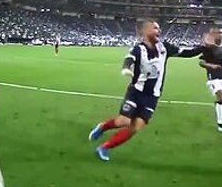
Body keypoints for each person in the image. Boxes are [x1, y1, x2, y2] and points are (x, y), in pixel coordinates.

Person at [87, 20, 204, 161]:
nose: (158, 31)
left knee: (135, 127)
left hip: (152, 97)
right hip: (136, 92)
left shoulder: (164, 48)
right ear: (145, 31)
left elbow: (188, 53)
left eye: (159, 28)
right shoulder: (138, 49)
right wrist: (126, 68)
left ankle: (104, 147)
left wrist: (204, 46)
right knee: (124, 121)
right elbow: (129, 59)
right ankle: (103, 127)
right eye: (155, 28)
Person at [200, 27, 222, 133]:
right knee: (220, 95)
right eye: (218, 33)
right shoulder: (209, 48)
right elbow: (201, 62)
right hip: (213, 76)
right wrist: (212, 66)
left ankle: (217, 104)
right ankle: (220, 123)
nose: (221, 34)